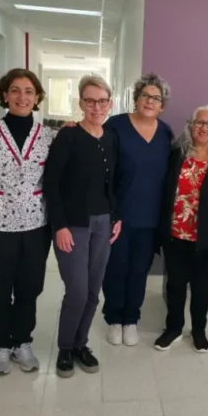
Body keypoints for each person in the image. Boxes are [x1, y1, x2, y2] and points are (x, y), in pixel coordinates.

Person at [0, 68, 54, 375]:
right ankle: (1, 346)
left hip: (35, 225)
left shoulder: (48, 136)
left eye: (29, 91)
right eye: (15, 90)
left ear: (37, 98)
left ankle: (22, 342)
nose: (22, 97)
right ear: (4, 95)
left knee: (30, 288)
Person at [45, 74, 121, 378]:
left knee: (92, 291)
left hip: (104, 223)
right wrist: (59, 226)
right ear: (81, 103)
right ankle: (65, 346)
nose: (97, 106)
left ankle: (80, 344)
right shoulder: (69, 136)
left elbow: (113, 182)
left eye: (102, 101)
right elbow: (51, 183)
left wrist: (117, 217)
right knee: (76, 291)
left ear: (110, 103)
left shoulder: (112, 137)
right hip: (73, 225)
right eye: (90, 100)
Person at [155, 105, 208, 353]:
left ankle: (198, 331)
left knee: (202, 286)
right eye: (199, 122)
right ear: (190, 126)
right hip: (175, 233)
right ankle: (173, 328)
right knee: (175, 284)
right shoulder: (176, 153)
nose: (204, 128)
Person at [102, 73, 174, 347]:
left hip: (150, 218)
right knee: (116, 268)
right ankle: (114, 319)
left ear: (162, 105)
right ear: (136, 99)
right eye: (145, 95)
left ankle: (131, 318)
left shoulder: (166, 133)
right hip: (118, 215)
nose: (149, 101)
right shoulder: (116, 126)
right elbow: (100, 163)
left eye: (156, 98)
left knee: (139, 270)